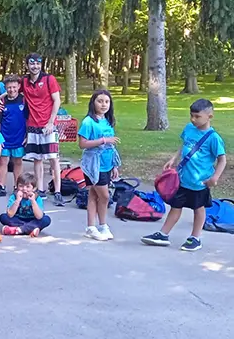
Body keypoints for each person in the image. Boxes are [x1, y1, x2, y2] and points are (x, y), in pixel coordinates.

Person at [142, 98, 227, 252]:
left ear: (209, 116)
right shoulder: (189, 128)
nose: (193, 119)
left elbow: (222, 160)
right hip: (182, 179)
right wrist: (174, 159)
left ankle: (195, 237)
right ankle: (163, 234)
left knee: (198, 208)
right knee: (176, 206)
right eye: (191, 115)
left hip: (199, 182)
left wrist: (215, 178)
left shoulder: (213, 138)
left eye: (197, 116)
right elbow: (184, 145)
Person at [15, 52, 63, 205]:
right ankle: (40, 190)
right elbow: (13, 90)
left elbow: (57, 101)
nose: (35, 66)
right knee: (37, 159)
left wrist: (51, 122)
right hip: (32, 125)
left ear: (41, 64)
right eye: (31, 63)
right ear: (27, 65)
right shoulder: (24, 81)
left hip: (48, 125)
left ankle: (57, 191)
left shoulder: (49, 79)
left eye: (37, 63)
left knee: (54, 159)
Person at [78, 90, 121, 241]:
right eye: (100, 101)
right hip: (93, 165)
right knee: (105, 196)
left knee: (94, 195)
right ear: (93, 103)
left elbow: (112, 146)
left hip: (107, 163)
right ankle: (98, 225)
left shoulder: (108, 121)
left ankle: (96, 226)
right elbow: (82, 144)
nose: (103, 105)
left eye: (106, 102)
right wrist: (103, 140)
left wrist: (115, 165)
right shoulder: (88, 122)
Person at [0, 74, 26, 197]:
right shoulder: (1, 102)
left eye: (14, 87)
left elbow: (28, 119)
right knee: (3, 161)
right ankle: (1, 185)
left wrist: (27, 135)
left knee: (18, 162)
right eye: (9, 87)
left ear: (18, 86)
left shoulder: (24, 100)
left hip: (19, 137)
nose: (11, 90)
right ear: (5, 88)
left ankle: (18, 187)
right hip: (5, 138)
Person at [0, 172, 51, 237]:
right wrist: (17, 201)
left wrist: (33, 201)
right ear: (17, 187)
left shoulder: (37, 198)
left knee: (46, 219)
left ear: (34, 188)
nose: (24, 189)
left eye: (28, 187)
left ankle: (19, 229)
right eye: (21, 186)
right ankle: (30, 229)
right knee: (3, 217)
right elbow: (10, 214)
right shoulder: (14, 197)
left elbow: (39, 216)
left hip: (32, 219)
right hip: (18, 219)